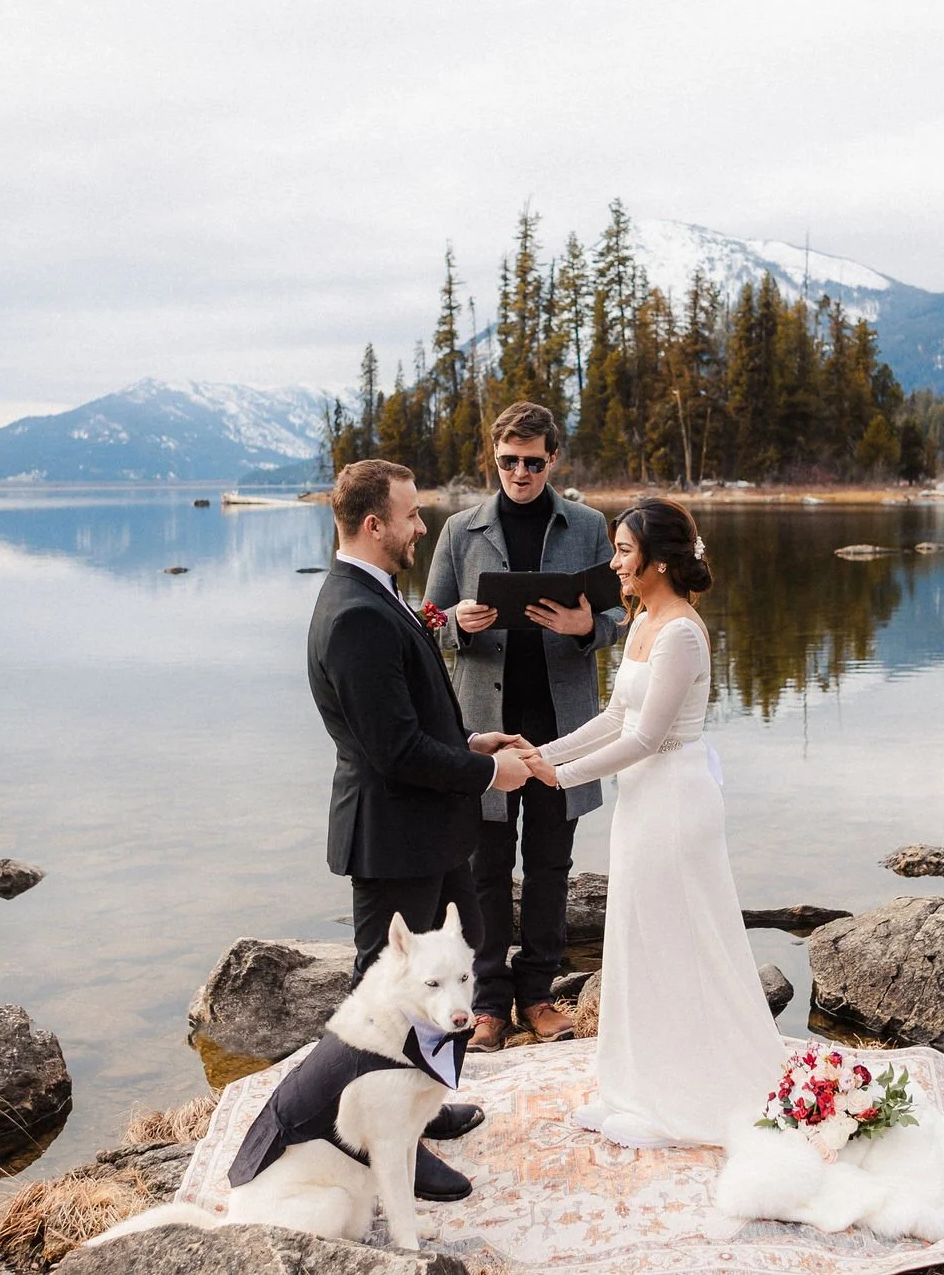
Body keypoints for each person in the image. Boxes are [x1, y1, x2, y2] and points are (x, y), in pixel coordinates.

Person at [522, 499, 783, 1149]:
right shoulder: (640, 619)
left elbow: (644, 737)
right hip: (641, 803)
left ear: (658, 561)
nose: (613, 561)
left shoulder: (682, 633)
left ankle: (678, 1105)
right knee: (637, 937)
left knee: (674, 944)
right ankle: (632, 1087)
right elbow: (614, 719)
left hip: (675, 801)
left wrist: (563, 777)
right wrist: (541, 753)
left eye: (623, 551)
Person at [305, 458, 532, 1200]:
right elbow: (392, 750)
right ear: (374, 524)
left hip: (427, 832)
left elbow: (411, 721)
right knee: (384, 1004)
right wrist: (486, 776)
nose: (420, 526)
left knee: (439, 987)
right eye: (410, 515)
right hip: (393, 837)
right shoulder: (355, 614)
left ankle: (424, 1112)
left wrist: (472, 745)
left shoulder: (378, 596)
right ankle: (385, 1147)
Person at [423, 402, 626, 1051]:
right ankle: (487, 1004)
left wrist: (585, 628)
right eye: (509, 461)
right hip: (484, 728)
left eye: (533, 461)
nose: (520, 472)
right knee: (482, 867)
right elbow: (425, 623)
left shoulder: (589, 525)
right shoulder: (459, 529)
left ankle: (538, 994)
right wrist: (456, 620)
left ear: (552, 459)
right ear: (495, 457)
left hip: (562, 727)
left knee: (549, 862)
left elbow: (623, 613)